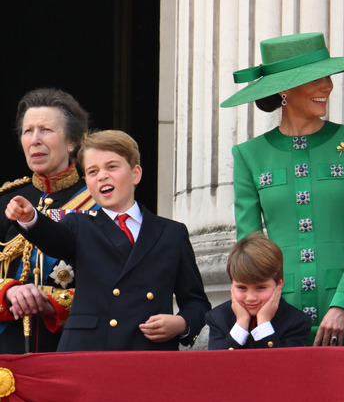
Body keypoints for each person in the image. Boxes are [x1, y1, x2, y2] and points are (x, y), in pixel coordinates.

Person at [221, 32, 344, 346]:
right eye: (315, 79)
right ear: (283, 88)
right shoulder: (249, 155)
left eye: (328, 77)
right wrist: (263, 306)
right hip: (277, 316)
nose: (328, 87)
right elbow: (250, 247)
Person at [6, 130, 211, 351]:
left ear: (136, 174)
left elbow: (196, 302)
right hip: (88, 351)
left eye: (111, 167)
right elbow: (53, 237)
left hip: (147, 351)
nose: (102, 176)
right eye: (93, 171)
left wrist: (181, 323)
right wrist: (31, 218)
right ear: (88, 184)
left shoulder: (172, 233)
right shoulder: (79, 225)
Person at [0, 88, 98, 353]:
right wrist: (7, 291)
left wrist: (51, 304)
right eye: (27, 131)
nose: (35, 140)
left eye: (46, 130)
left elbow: (115, 284)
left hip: (71, 348)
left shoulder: (99, 201)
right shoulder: (5, 200)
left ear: (72, 141)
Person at [206, 232, 311, 349]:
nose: (251, 297)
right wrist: (241, 324)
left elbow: (284, 365)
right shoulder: (218, 318)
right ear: (232, 284)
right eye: (241, 287)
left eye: (261, 288)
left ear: (279, 283)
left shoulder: (295, 322)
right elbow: (217, 365)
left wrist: (264, 324)